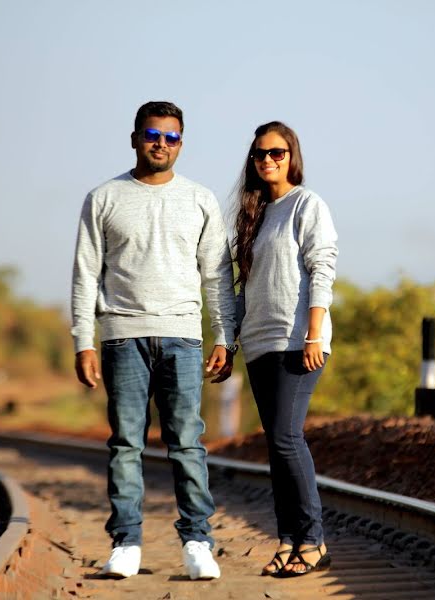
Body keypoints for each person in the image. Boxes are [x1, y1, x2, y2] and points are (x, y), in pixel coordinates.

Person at [70, 100, 238, 580]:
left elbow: (217, 278)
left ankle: (198, 542)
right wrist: (84, 338)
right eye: (152, 134)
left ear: (181, 143)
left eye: (171, 137)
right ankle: (126, 544)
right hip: (123, 337)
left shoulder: (200, 199)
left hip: (183, 337)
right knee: (126, 444)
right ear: (134, 138)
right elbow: (85, 274)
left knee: (187, 443)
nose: (161, 144)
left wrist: (224, 336)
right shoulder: (104, 198)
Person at [232, 121, 338, 577]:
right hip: (260, 343)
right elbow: (246, 287)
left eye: (277, 152)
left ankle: (313, 540)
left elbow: (322, 269)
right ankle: (287, 539)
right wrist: (230, 339)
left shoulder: (306, 204)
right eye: (260, 154)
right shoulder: (253, 215)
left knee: (286, 437)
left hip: (298, 342)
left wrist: (314, 333)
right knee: (276, 446)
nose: (268, 160)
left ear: (291, 155)